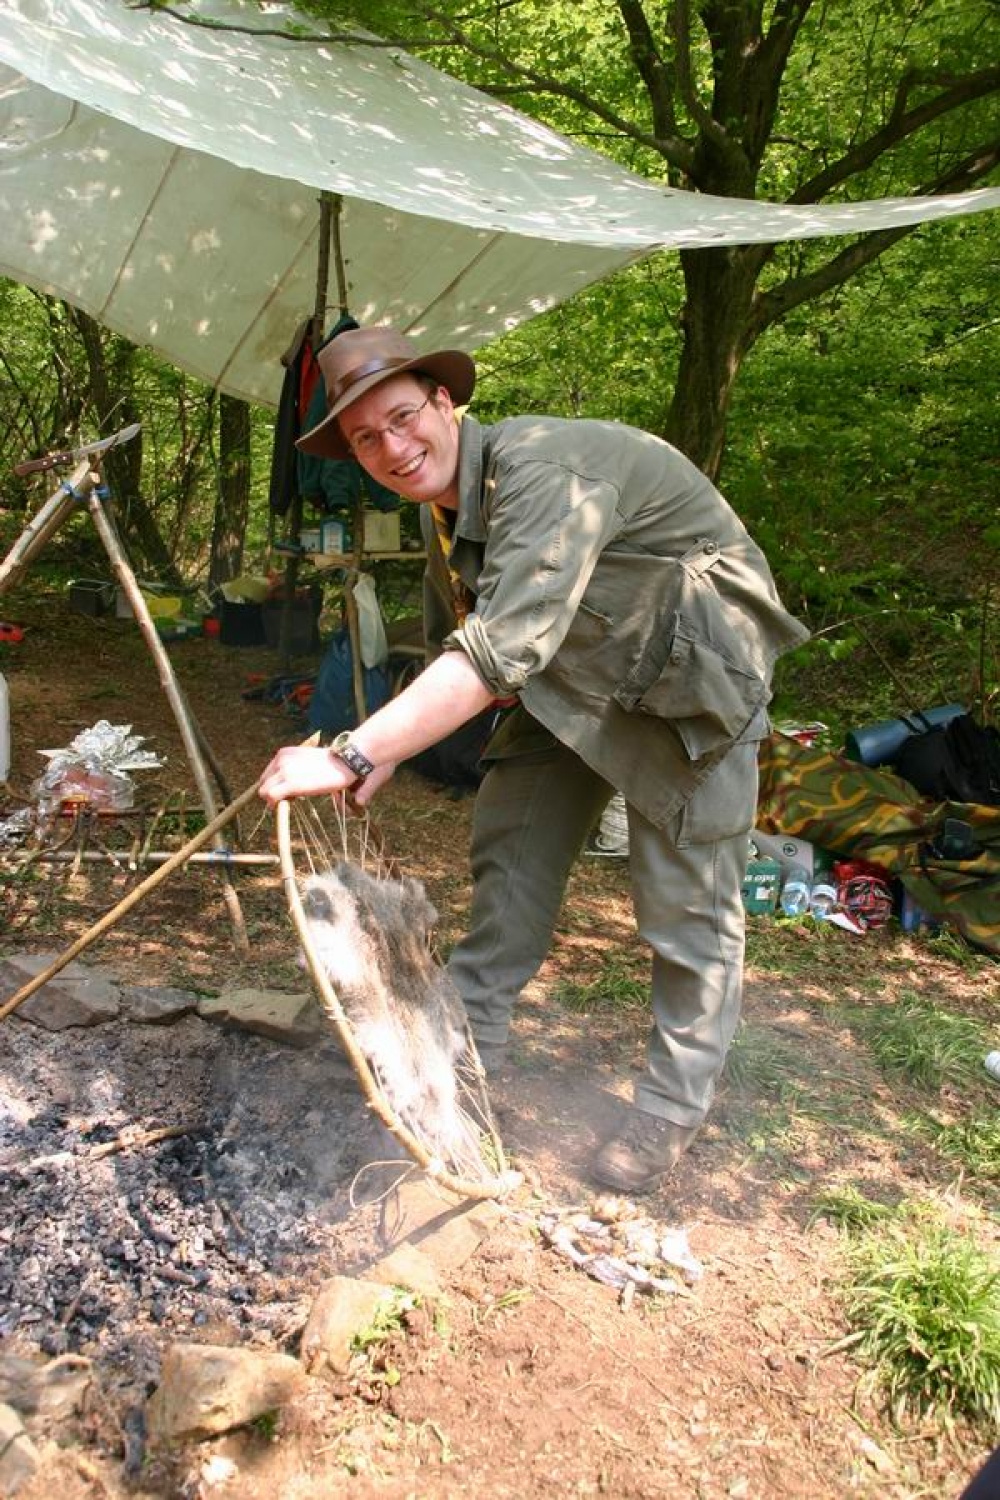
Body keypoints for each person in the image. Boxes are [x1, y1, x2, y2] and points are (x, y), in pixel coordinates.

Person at [259, 326, 808, 1194]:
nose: (394, 449)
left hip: (691, 690)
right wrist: (398, 750)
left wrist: (359, 750)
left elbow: (495, 651)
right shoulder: (449, 509)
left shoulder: (543, 469)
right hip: (574, 687)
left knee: (687, 917)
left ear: (446, 403)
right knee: (507, 866)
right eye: (367, 438)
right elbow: (477, 636)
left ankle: (670, 1110)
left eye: (404, 418)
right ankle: (458, 1060)